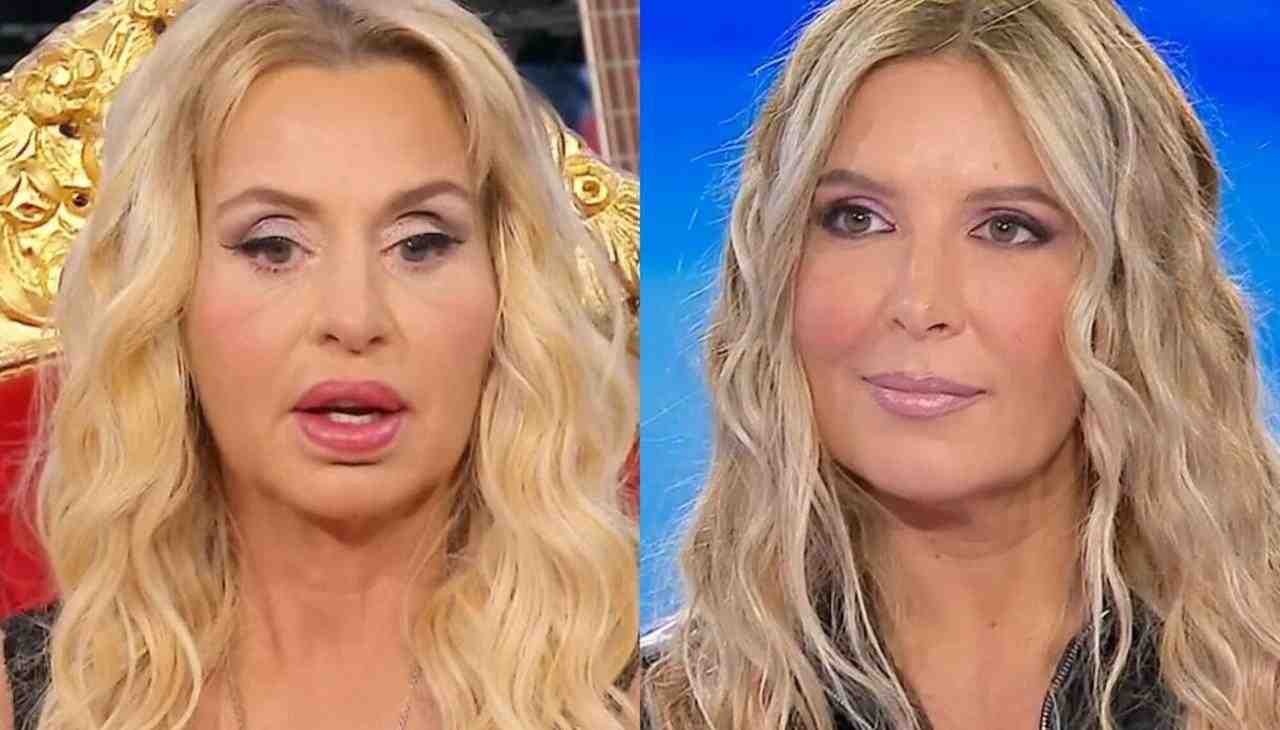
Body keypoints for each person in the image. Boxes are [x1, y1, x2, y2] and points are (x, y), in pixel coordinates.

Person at [0, 0, 638, 729]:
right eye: (273, 246)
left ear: (509, 290)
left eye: (421, 243)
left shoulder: (653, 689)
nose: (354, 319)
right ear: (165, 295)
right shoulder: (25, 699)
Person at [642, 1, 1280, 729]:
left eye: (1007, 229)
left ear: (1134, 292)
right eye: (858, 218)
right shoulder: (659, 707)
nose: (918, 304)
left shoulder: (1258, 683)